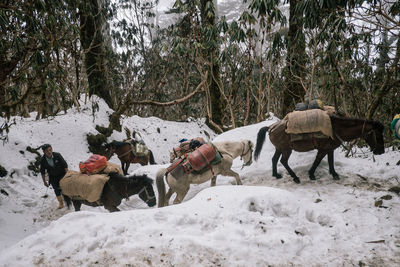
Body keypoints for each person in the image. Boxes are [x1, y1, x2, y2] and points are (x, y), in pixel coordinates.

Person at [39, 144, 68, 209]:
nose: (49, 152)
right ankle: (61, 203)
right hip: (52, 176)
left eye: (50, 150)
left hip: (62, 174)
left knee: (64, 187)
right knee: (56, 189)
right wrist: (45, 181)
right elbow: (43, 172)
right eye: (47, 151)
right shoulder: (43, 160)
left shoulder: (57, 155)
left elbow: (65, 165)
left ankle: (68, 199)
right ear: (44, 152)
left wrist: (67, 175)